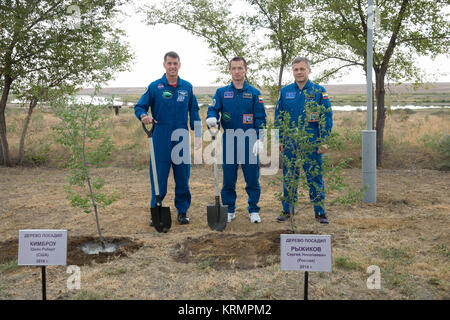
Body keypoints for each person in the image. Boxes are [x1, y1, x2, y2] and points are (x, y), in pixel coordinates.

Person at [134, 51, 202, 225]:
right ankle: (156, 210)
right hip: (160, 137)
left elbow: (193, 110)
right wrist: (143, 116)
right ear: (164, 65)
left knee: (182, 177)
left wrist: (199, 133)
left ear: (180, 65)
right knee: (159, 176)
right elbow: (140, 106)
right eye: (169, 63)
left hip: (181, 137)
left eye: (175, 63)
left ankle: (182, 211)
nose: (172, 66)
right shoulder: (155, 87)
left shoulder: (187, 87)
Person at [206, 56, 266, 224]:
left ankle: (254, 210)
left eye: (240, 68)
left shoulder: (254, 93)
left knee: (252, 178)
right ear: (230, 70)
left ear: (245, 70)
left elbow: (260, 118)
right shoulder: (222, 92)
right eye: (234, 68)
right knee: (228, 179)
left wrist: (260, 139)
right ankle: (230, 209)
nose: (237, 71)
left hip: (250, 141)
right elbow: (212, 109)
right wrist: (211, 118)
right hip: (230, 139)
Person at [275, 57, 333, 224]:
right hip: (290, 142)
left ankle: (320, 212)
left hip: (311, 142)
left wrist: (324, 140)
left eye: (302, 69)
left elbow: (326, 117)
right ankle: (287, 211)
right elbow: (279, 116)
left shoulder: (318, 91)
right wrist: (280, 139)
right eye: (296, 69)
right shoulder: (285, 92)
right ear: (292, 71)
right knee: (289, 176)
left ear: (309, 70)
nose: (299, 72)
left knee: (314, 176)